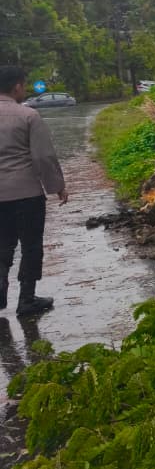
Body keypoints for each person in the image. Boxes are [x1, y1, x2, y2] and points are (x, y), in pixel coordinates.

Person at [0, 65, 67, 316]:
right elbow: (43, 157)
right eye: (24, 85)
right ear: (17, 86)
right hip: (26, 195)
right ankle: (26, 300)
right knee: (30, 246)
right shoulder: (28, 115)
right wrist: (57, 187)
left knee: (2, 246)